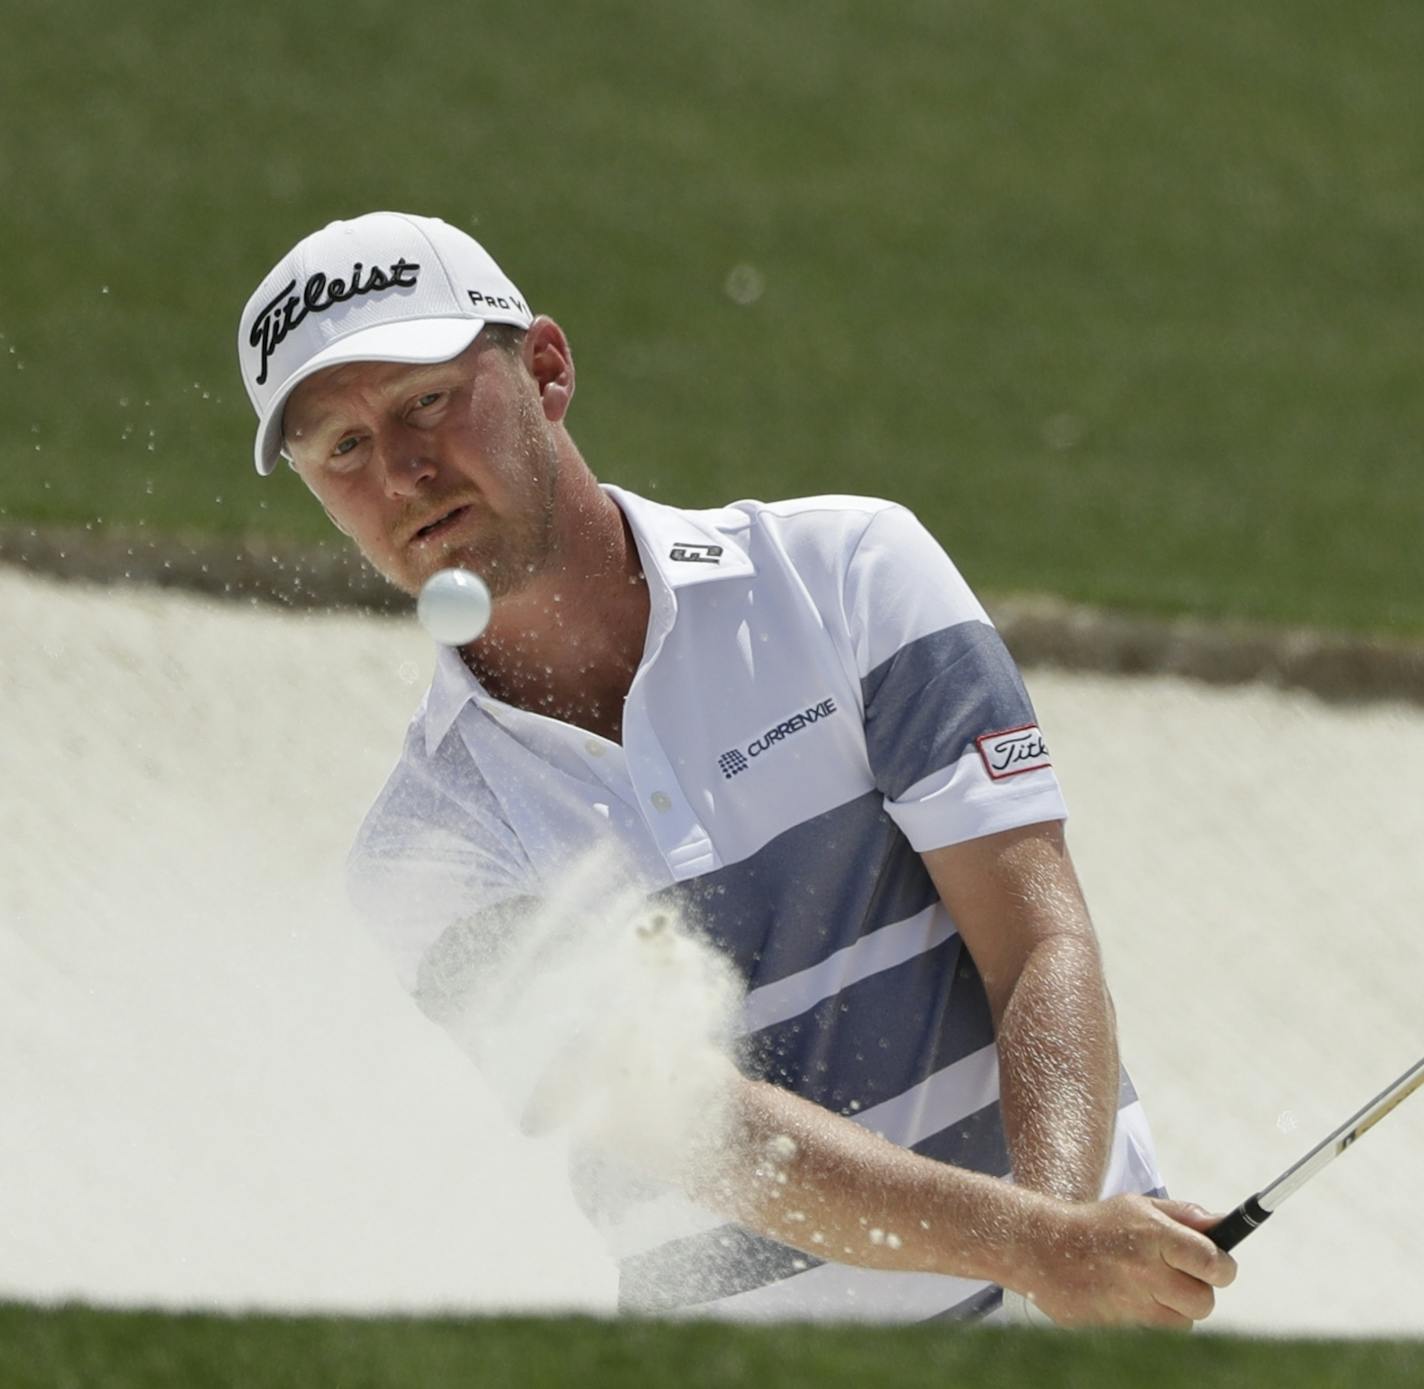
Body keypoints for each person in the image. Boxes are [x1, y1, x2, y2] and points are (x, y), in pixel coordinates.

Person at [236, 211, 1237, 1326]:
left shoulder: (846, 575)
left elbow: (1036, 938)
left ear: (548, 371)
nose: (407, 472)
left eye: (426, 401)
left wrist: (1057, 1252)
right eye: (343, 449)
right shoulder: (422, 852)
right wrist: (1042, 1247)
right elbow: (694, 1127)